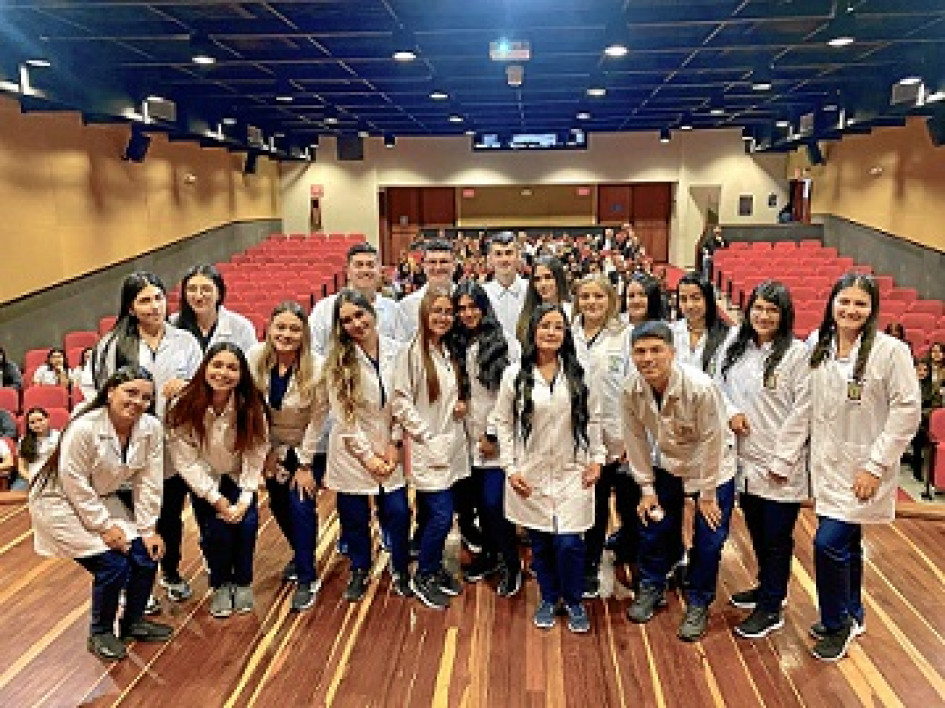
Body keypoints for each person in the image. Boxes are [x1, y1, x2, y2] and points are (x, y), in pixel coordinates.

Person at [806, 273, 920, 661]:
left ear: (872, 310)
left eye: (860, 304)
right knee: (846, 542)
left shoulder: (891, 352)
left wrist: (875, 466)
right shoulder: (817, 345)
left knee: (827, 543)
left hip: (863, 467)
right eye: (844, 301)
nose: (850, 310)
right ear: (832, 303)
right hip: (827, 466)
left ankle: (836, 624)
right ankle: (853, 612)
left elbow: (907, 411)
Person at [28, 366, 171, 661]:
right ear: (110, 392)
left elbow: (149, 480)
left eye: (146, 397)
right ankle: (101, 632)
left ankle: (133, 623)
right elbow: (73, 482)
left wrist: (148, 528)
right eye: (130, 392)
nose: (138, 402)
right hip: (59, 502)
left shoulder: (151, 429)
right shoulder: (84, 427)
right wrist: (104, 526)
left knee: (145, 556)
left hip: (99, 497)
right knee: (113, 565)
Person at [81, 271, 202, 609]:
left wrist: (188, 387)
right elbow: (98, 393)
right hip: (126, 444)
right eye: (145, 300)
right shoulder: (111, 344)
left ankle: (172, 572)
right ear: (131, 307)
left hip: (172, 443)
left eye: (159, 298)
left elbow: (205, 389)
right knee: (130, 517)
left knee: (168, 517)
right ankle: (137, 586)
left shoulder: (184, 341)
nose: (154, 306)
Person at [490, 304, 604, 632]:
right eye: (544, 326)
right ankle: (548, 597)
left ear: (566, 333)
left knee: (569, 543)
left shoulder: (579, 372)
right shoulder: (515, 374)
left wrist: (597, 457)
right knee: (540, 543)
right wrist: (510, 468)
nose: (551, 333)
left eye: (558, 327)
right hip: (531, 471)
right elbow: (503, 422)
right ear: (533, 331)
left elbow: (594, 417)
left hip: (573, 470)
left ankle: (574, 599)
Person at [621, 321, 732, 642]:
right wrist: (646, 488)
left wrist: (707, 494)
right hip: (669, 466)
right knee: (654, 526)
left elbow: (714, 440)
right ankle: (652, 585)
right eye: (640, 351)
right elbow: (635, 438)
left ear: (673, 352)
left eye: (656, 350)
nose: (648, 358)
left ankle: (699, 601)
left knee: (709, 541)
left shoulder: (700, 387)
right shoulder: (631, 388)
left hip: (712, 470)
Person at [716, 281, 811, 639]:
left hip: (778, 461)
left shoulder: (797, 355)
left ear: (784, 315)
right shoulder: (735, 345)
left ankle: (772, 607)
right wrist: (731, 412)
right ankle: (766, 587)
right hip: (743, 458)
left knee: (776, 536)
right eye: (758, 308)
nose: (764, 315)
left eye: (772, 310)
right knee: (756, 528)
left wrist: (784, 460)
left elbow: (803, 411)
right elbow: (717, 387)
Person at [166, 343, 269, 619]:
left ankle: (243, 582)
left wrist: (246, 496)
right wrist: (216, 499)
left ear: (242, 373)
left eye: (232, 367)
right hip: (205, 480)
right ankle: (221, 584)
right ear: (205, 368)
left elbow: (255, 453)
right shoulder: (183, 404)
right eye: (217, 365)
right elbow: (185, 460)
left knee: (246, 528)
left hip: (238, 476)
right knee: (215, 535)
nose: (223, 373)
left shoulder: (252, 404)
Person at [320, 289, 412, 600]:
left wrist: (394, 445)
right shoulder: (336, 362)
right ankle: (359, 569)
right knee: (355, 518)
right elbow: (344, 418)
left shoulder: (400, 351)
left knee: (398, 513)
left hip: (389, 445)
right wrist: (368, 457)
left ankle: (400, 568)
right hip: (351, 453)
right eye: (346, 320)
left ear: (372, 313)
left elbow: (403, 401)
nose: (356, 324)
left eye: (359, 315)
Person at [392, 284, 469, 609]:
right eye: (437, 311)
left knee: (435, 515)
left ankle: (434, 568)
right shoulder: (411, 353)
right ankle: (423, 574)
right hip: (429, 446)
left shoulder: (447, 351)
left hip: (450, 445)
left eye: (448, 312)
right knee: (441, 516)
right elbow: (400, 401)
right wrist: (425, 434)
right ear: (424, 314)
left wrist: (459, 405)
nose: (443, 317)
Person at [248, 301, 327, 611]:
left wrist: (305, 464)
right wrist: (265, 452)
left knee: (301, 504)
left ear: (304, 333)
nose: (286, 333)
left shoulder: (317, 367)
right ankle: (301, 553)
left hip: (307, 444)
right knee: (279, 505)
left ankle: (308, 577)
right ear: (269, 329)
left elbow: (317, 420)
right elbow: (253, 410)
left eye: (294, 328)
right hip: (271, 443)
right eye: (280, 327)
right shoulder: (255, 358)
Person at [448, 281, 522, 596]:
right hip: (465, 440)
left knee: (495, 505)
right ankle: (490, 556)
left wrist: (492, 433)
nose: (467, 314)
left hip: (496, 439)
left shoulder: (505, 344)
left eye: (472, 306)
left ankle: (512, 564)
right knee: (477, 505)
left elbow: (509, 398)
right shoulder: (455, 344)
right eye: (460, 308)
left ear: (484, 307)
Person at [569, 274, 640, 598]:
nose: (591, 303)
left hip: (616, 432)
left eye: (598, 297)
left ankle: (610, 559)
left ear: (611, 300)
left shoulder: (625, 336)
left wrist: (629, 437)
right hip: (575, 432)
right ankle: (583, 561)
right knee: (586, 500)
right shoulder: (568, 335)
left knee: (614, 500)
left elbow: (633, 388)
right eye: (585, 297)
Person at [171, 264, 257, 353]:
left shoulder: (242, 328)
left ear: (219, 294)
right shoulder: (172, 324)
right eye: (192, 289)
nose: (198, 296)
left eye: (206, 289)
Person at [394, 239, 456, 341]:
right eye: (432, 262)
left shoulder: (465, 299)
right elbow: (401, 345)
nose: (438, 267)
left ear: (454, 265)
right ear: (423, 266)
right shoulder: (407, 305)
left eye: (444, 261)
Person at [515, 256, 572, 343]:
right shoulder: (526, 314)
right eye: (537, 279)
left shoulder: (571, 313)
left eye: (548, 277)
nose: (543, 284)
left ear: (559, 279)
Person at [482, 232, 528, 337]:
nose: (504, 259)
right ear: (490, 259)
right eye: (498, 254)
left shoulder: (531, 290)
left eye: (509, 253)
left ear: (518, 257)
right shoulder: (482, 293)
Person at [16, 407, 61, 490]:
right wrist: (31, 478)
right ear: (28, 425)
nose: (37, 424)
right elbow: (21, 467)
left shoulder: (59, 437)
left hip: (53, 477)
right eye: (32, 422)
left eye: (40, 420)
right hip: (29, 477)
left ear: (47, 419)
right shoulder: (23, 441)